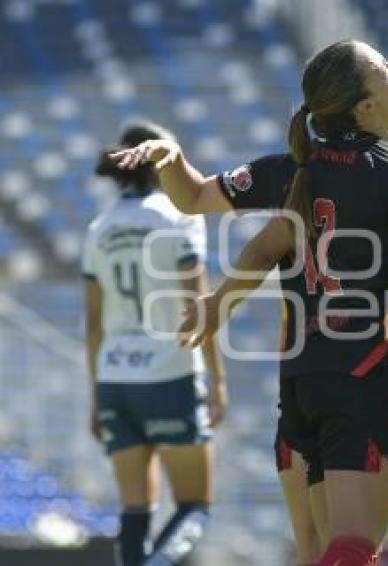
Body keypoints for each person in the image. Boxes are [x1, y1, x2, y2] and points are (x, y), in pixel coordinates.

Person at [111, 62, 388, 566]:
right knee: (349, 548)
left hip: (351, 374)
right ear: (365, 104)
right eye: (382, 67)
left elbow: (201, 201)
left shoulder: (306, 167)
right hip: (364, 374)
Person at [83, 121, 227, 566]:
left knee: (134, 509)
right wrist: (217, 381)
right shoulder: (179, 217)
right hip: (170, 374)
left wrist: (95, 397)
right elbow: (196, 307)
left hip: (114, 379)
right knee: (194, 508)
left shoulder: (99, 228)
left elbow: (93, 322)